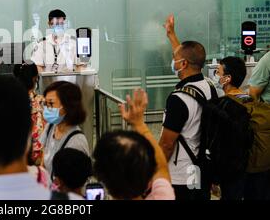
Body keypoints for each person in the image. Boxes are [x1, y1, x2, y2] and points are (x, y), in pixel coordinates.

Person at [159, 14, 216, 200]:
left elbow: (167, 144)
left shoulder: (179, 99)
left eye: (174, 58)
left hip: (179, 174)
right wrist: (171, 35)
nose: (172, 61)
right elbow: (187, 55)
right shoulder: (209, 86)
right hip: (200, 166)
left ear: (183, 64)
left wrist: (155, 171)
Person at [93, 89, 175, 200]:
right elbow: (161, 167)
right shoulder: (162, 195)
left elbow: (161, 168)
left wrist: (138, 123)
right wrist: (139, 124)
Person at [215, 57, 270, 200]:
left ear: (227, 79)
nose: (216, 74)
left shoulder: (225, 105)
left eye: (218, 72)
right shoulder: (247, 99)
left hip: (236, 170)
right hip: (257, 167)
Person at [40, 81, 90, 178]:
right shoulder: (51, 127)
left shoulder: (76, 142)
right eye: (45, 104)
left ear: (67, 106)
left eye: (51, 103)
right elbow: (44, 156)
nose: (46, 108)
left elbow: (74, 181)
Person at [13, 62, 46, 166]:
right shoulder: (42, 102)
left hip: (15, 158)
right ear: (35, 78)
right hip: (39, 158)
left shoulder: (7, 103)